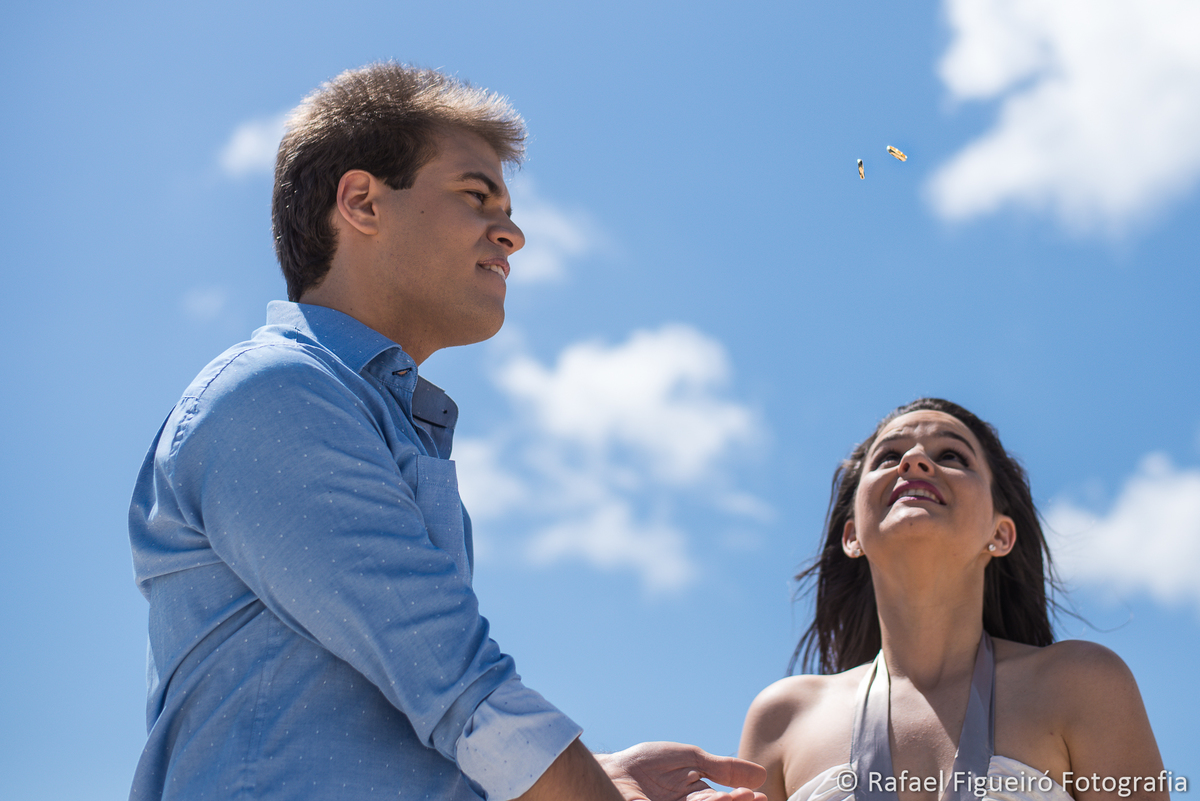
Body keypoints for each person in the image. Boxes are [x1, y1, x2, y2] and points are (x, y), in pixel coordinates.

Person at [128, 62, 766, 801]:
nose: (513, 233)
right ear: (362, 203)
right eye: (476, 196)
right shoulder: (275, 392)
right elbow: (459, 687)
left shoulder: (370, 416)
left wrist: (601, 781)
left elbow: (424, 717)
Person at [738, 398, 1168, 801]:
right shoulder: (782, 719)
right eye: (888, 457)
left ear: (1000, 534)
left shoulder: (1082, 685)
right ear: (852, 536)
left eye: (952, 456)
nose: (913, 461)